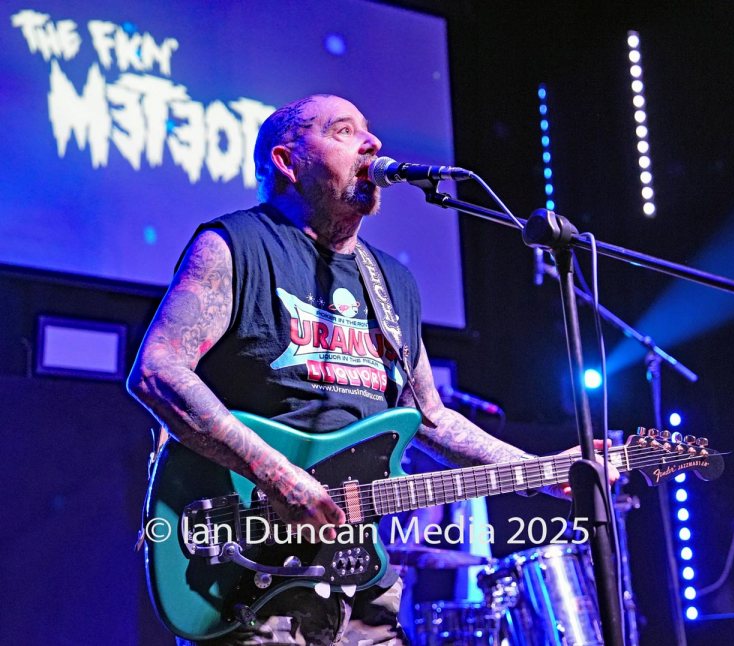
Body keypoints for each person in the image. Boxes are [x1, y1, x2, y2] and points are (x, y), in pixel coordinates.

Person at [127, 93, 617, 646]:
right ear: (289, 162)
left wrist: (543, 468)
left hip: (360, 584)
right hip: (248, 569)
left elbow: (429, 419)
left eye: (369, 129)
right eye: (342, 131)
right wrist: (279, 475)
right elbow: (158, 372)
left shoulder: (393, 284)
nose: (372, 143)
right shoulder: (233, 245)